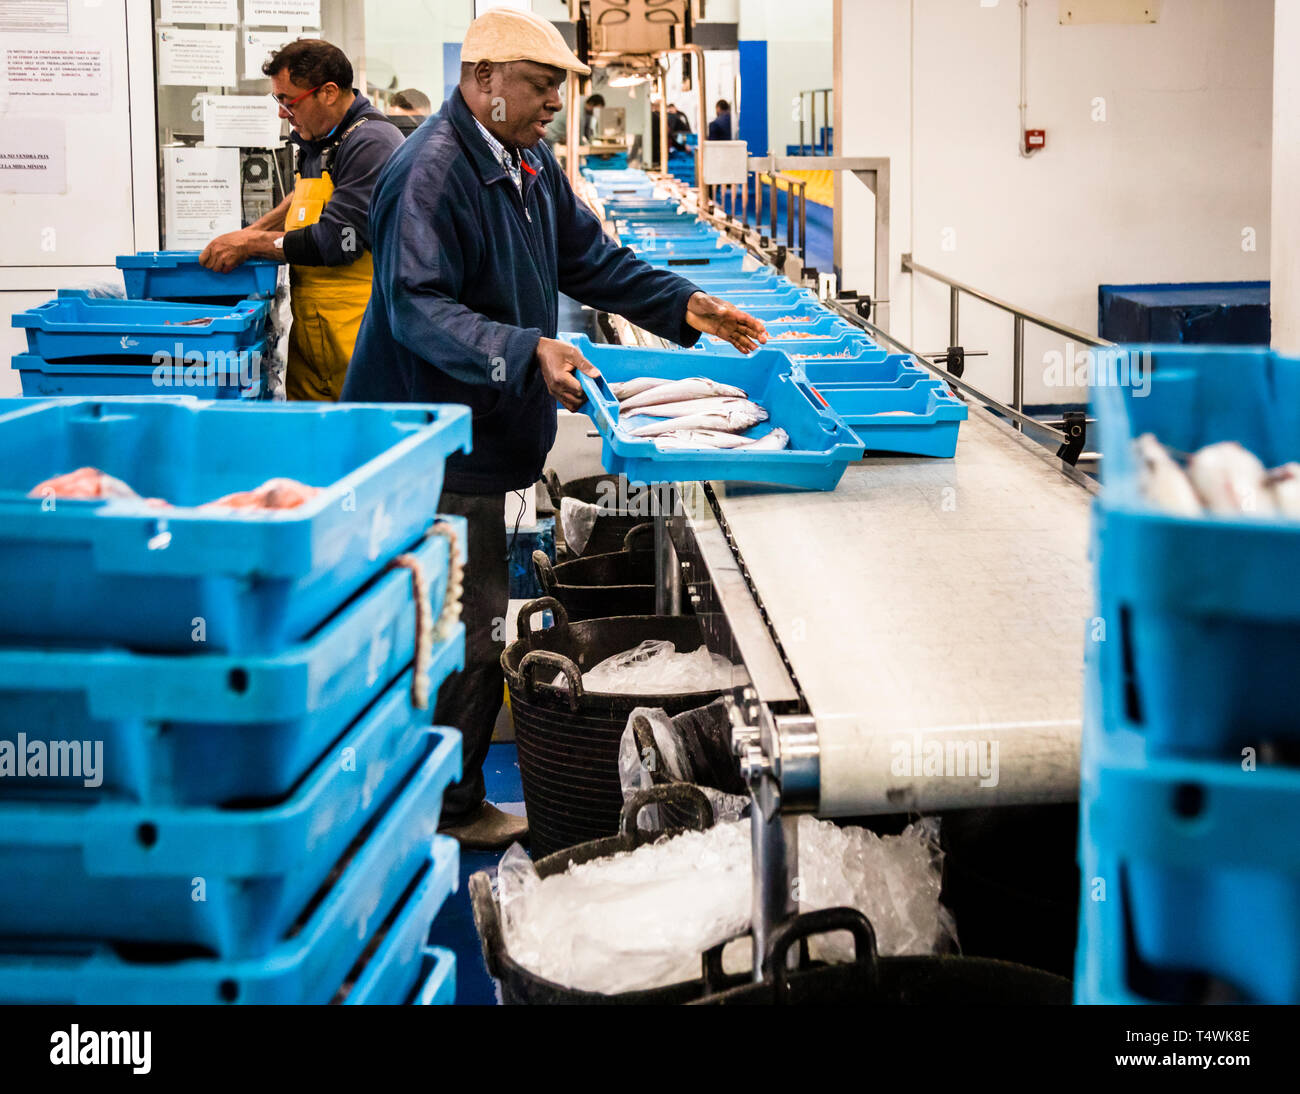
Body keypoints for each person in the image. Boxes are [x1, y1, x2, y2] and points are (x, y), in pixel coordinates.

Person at [342, 7, 768, 850]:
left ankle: (428, 794)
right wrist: (526, 349)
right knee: (467, 632)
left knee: (464, 619)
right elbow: (416, 308)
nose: (553, 106)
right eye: (540, 88)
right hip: (434, 444)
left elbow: (590, 260)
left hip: (483, 435)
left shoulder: (527, 156)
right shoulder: (430, 169)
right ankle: (448, 810)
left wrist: (685, 304)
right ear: (485, 80)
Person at [200, 40, 404, 401]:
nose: (282, 113)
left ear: (328, 93)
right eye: (277, 100)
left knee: (358, 447)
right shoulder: (320, 140)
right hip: (316, 339)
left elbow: (337, 240)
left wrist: (249, 244)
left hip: (360, 340)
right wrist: (254, 230)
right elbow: (306, 198)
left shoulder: (370, 142)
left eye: (287, 100)